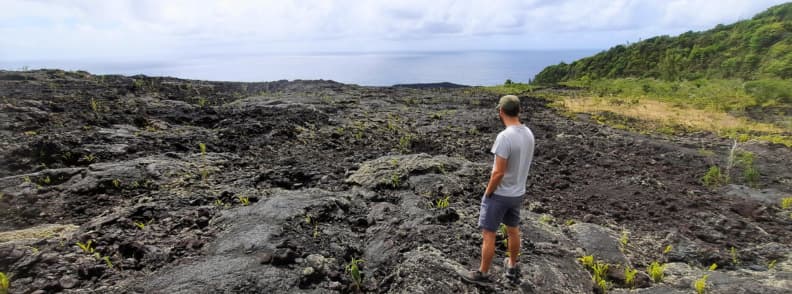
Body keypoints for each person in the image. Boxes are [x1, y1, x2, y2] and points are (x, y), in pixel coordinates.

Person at [461, 95, 535, 285]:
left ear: (500, 111)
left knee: (489, 234)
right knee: (513, 230)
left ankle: (483, 273)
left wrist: (488, 192)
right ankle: (511, 266)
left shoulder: (504, 137)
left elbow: (498, 172)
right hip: (518, 192)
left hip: (500, 194)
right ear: (519, 111)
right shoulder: (528, 133)